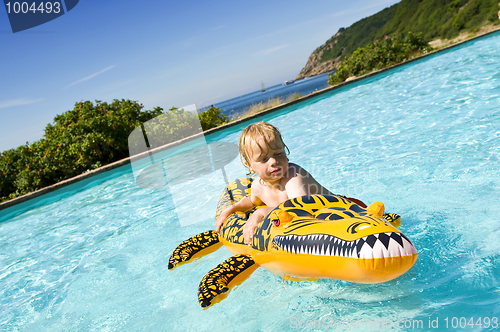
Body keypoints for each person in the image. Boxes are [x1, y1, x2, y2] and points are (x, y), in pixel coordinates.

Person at [215, 121, 363, 245]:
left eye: (278, 153)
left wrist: (261, 213)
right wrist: (230, 210)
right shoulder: (258, 186)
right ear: (249, 166)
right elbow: (251, 202)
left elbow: (300, 210)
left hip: (344, 209)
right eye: (263, 159)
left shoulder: (293, 176)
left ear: (285, 150)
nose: (273, 161)